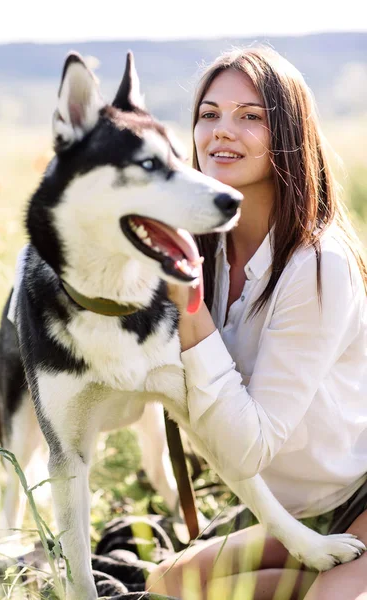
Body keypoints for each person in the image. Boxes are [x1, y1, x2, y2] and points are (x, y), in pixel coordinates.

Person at [146, 46, 367, 600]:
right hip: (303, 510)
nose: (222, 131)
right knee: (168, 585)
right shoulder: (203, 249)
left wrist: (188, 306)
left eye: (251, 117)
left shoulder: (318, 265)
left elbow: (249, 450)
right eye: (209, 113)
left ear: (290, 136)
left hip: (359, 491)